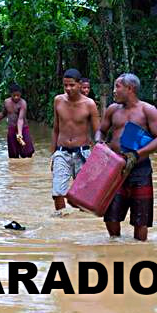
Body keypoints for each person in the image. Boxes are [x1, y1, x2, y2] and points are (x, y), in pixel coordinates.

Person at [95, 73, 157, 242]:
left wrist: (137, 155)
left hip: (140, 170)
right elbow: (101, 130)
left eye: (117, 87)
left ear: (130, 88)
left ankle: (139, 252)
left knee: (141, 218)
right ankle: (115, 246)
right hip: (115, 168)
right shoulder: (113, 109)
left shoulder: (147, 110)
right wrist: (99, 143)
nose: (114, 91)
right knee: (111, 215)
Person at [51, 69, 100, 212]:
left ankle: (80, 228)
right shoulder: (58, 100)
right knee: (58, 192)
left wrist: (98, 156)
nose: (68, 89)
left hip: (83, 153)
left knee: (83, 196)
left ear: (79, 85)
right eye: (65, 85)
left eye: (71, 85)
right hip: (61, 152)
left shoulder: (89, 104)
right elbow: (55, 129)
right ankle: (61, 222)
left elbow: (98, 132)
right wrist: (53, 155)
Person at [0, 83, 35, 158]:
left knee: (27, 154)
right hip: (12, 129)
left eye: (18, 95)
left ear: (20, 94)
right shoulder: (6, 102)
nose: (16, 97)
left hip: (23, 129)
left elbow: (20, 119)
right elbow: (3, 114)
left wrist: (20, 134)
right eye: (14, 95)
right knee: (13, 156)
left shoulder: (23, 103)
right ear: (10, 94)